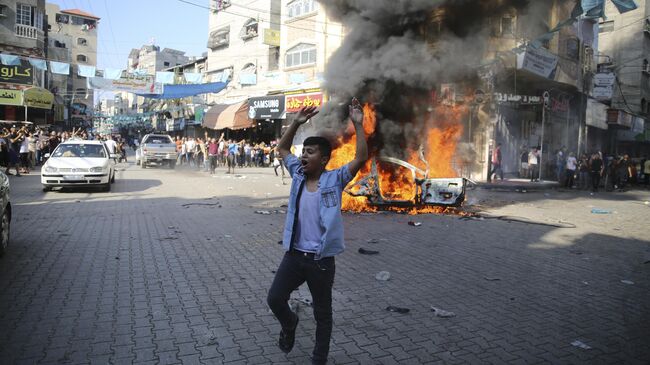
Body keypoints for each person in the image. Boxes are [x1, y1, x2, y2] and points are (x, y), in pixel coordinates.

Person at [267, 98, 368, 365]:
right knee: (275, 298)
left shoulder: (334, 180)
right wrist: (296, 122)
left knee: (323, 314)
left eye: (310, 152)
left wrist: (358, 125)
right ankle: (290, 324)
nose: (303, 155)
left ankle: (318, 360)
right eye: (304, 151)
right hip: (294, 256)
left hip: (320, 261)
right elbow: (282, 148)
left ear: (323, 159)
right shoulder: (298, 175)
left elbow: (360, 157)